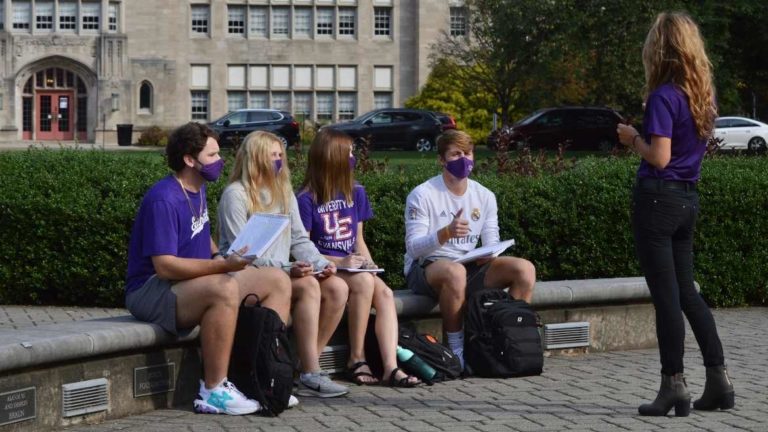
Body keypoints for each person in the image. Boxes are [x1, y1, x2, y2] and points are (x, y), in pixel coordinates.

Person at [125, 122, 293, 415]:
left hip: (188, 284)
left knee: (277, 280)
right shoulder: (164, 198)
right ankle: (213, 389)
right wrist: (222, 268)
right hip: (151, 290)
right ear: (190, 160)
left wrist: (220, 255)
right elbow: (164, 267)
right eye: (213, 156)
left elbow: (200, 234)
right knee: (224, 287)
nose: (220, 162)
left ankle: (263, 375)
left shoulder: (198, 189)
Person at [617, 12, 735, 417]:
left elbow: (660, 157)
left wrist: (633, 138)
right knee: (688, 293)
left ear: (659, 50)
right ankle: (719, 379)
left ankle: (673, 385)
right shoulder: (702, 96)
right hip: (688, 200)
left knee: (666, 298)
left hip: (657, 200)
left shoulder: (664, 96)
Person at [217, 130, 350, 398]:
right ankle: (302, 372)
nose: (279, 160)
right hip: (243, 275)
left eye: (281, 155)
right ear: (256, 158)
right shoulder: (236, 195)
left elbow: (299, 239)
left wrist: (320, 262)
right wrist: (290, 268)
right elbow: (241, 253)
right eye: (273, 155)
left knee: (336, 287)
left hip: (280, 272)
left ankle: (304, 369)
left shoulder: (284, 190)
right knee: (309, 286)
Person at [297, 128, 421, 387]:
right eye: (349, 152)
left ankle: (390, 367)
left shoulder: (356, 192)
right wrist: (340, 262)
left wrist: (369, 263)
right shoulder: (306, 198)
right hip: (326, 267)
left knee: (385, 294)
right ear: (332, 158)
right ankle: (356, 357)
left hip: (352, 267)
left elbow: (358, 240)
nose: (353, 158)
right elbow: (302, 248)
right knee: (364, 283)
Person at [403, 129, 536, 369]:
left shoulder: (484, 195)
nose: (463, 159)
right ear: (441, 160)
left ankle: (508, 337)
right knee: (454, 272)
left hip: (469, 264)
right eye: (455, 154)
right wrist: (445, 233)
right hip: (427, 268)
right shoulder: (422, 195)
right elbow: (414, 249)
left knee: (524, 269)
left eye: (468, 153)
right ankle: (456, 352)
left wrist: (491, 253)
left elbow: (491, 239)